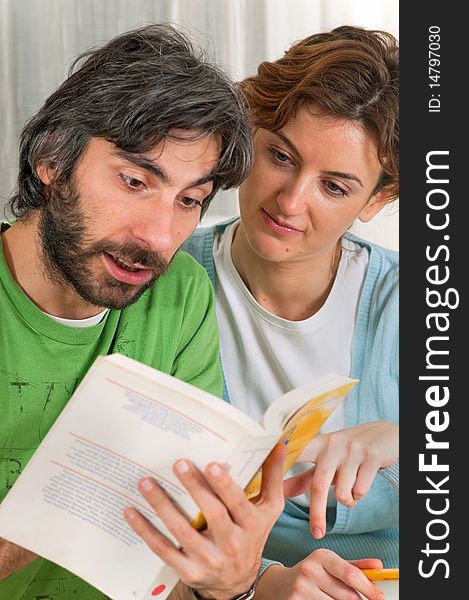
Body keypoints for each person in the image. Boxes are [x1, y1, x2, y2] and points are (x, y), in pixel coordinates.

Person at [0, 22, 277, 600]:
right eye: (134, 181)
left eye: (189, 201)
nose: (158, 236)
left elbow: (167, 572)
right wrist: (61, 504)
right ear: (52, 158)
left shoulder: (180, 295)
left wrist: (229, 584)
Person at [181, 22, 400, 581]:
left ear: (378, 199)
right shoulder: (164, 278)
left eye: (335, 186)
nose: (290, 201)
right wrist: (261, 584)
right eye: (280, 155)